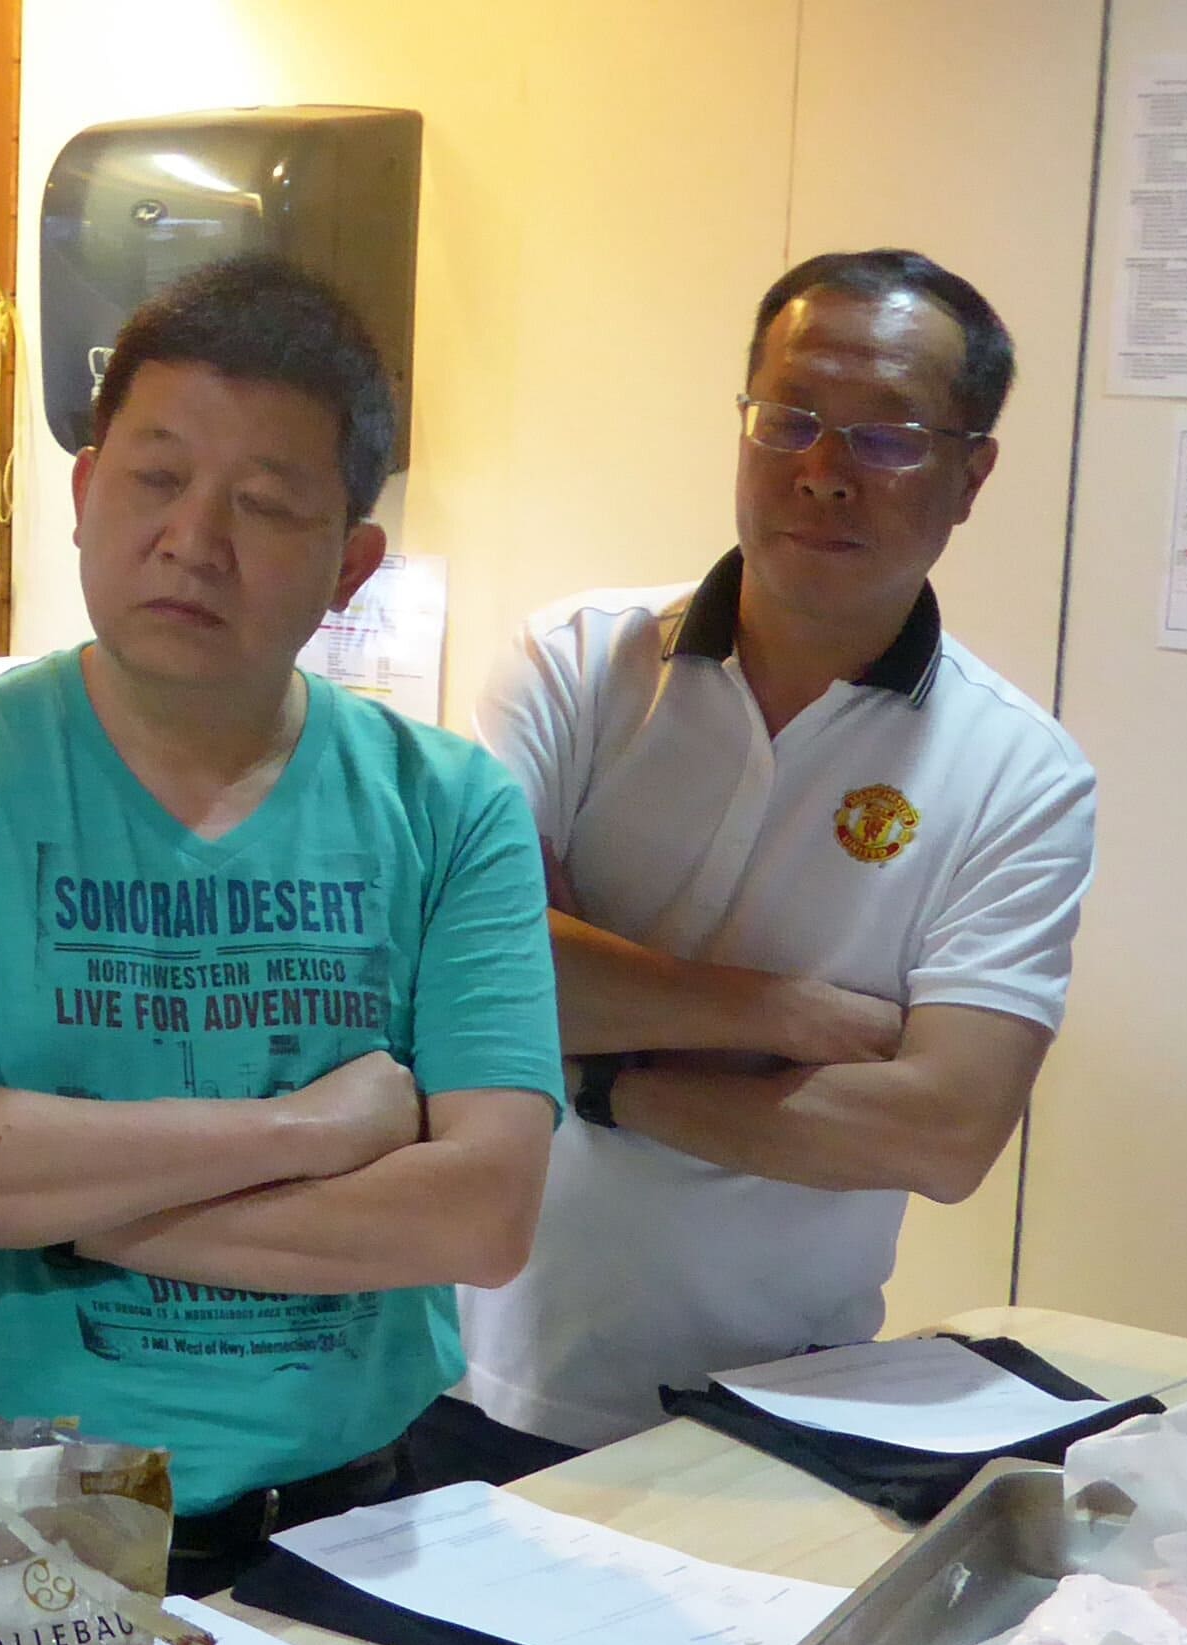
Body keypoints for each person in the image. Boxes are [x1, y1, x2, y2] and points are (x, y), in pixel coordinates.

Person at [0, 255, 560, 1592]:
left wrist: (44, 1203)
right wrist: (311, 1135)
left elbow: (482, 1212)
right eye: (154, 479)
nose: (194, 540)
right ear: (85, 494)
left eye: (264, 504)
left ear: (350, 564)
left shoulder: (450, 807)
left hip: (353, 1533)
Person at [449, 249, 1096, 1461]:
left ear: (972, 475)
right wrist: (781, 1016)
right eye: (788, 419)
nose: (824, 474)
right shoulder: (575, 665)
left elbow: (941, 1132)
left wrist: (599, 1072)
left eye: (887, 436)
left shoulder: (1021, 773)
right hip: (460, 1363)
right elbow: (469, 971)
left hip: (782, 1405)